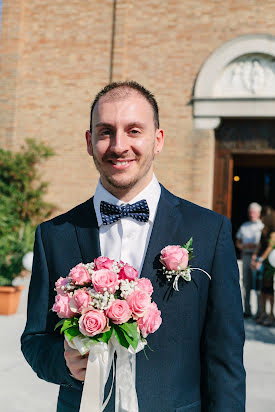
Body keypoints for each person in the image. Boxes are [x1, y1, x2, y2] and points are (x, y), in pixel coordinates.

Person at [21, 81, 245, 412]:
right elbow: (34, 339)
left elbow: (224, 361)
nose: (119, 145)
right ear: (89, 141)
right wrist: (63, 363)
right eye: (106, 131)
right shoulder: (53, 235)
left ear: (158, 140)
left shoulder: (210, 231)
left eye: (134, 130)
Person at [236, 202, 264, 318]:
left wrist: (254, 247)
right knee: (246, 283)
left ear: (259, 213)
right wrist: (244, 247)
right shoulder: (244, 226)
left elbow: (263, 243)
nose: (252, 214)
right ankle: (247, 310)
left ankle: (259, 312)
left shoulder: (262, 226)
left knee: (258, 284)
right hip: (246, 256)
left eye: (254, 212)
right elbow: (238, 241)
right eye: (250, 212)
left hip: (257, 257)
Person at [251, 207, 275, 326]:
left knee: (270, 290)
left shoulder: (273, 232)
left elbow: (270, 247)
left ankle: (271, 314)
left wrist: (260, 259)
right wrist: (255, 256)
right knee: (262, 289)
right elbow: (260, 245)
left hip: (270, 264)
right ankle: (263, 313)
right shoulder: (263, 231)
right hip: (263, 263)